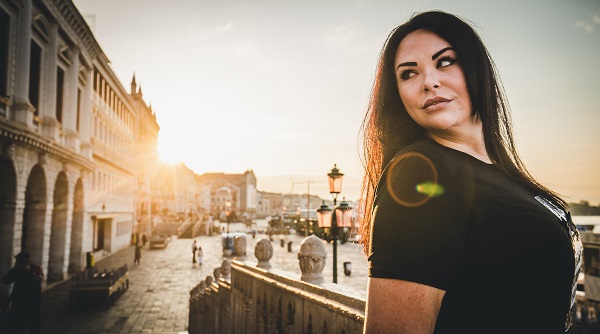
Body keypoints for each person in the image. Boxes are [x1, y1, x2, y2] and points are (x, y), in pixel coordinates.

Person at [359, 11, 583, 333]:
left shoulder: (502, 174)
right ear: (398, 97)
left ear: (475, 67)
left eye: (445, 61)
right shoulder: (419, 173)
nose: (429, 82)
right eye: (409, 74)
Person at [2, 251, 43, 334]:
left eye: (23, 261)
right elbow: (6, 280)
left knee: (34, 329)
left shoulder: (36, 269)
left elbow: (38, 281)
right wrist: (14, 269)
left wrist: (28, 272)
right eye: (19, 261)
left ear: (28, 261)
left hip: (32, 305)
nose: (21, 264)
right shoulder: (16, 270)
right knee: (16, 328)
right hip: (18, 304)